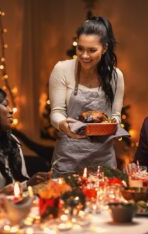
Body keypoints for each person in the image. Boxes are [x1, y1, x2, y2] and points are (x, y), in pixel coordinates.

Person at [49, 16, 124, 175]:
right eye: (80, 48)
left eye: (92, 50)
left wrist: (110, 126)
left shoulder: (115, 76)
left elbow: (116, 116)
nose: (84, 55)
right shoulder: (62, 69)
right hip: (68, 157)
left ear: (104, 48)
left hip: (103, 160)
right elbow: (56, 112)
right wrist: (63, 125)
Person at [0, 86, 51, 194]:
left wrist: (29, 183)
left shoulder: (12, 141)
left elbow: (16, 185)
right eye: (5, 105)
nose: (11, 111)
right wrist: (3, 192)